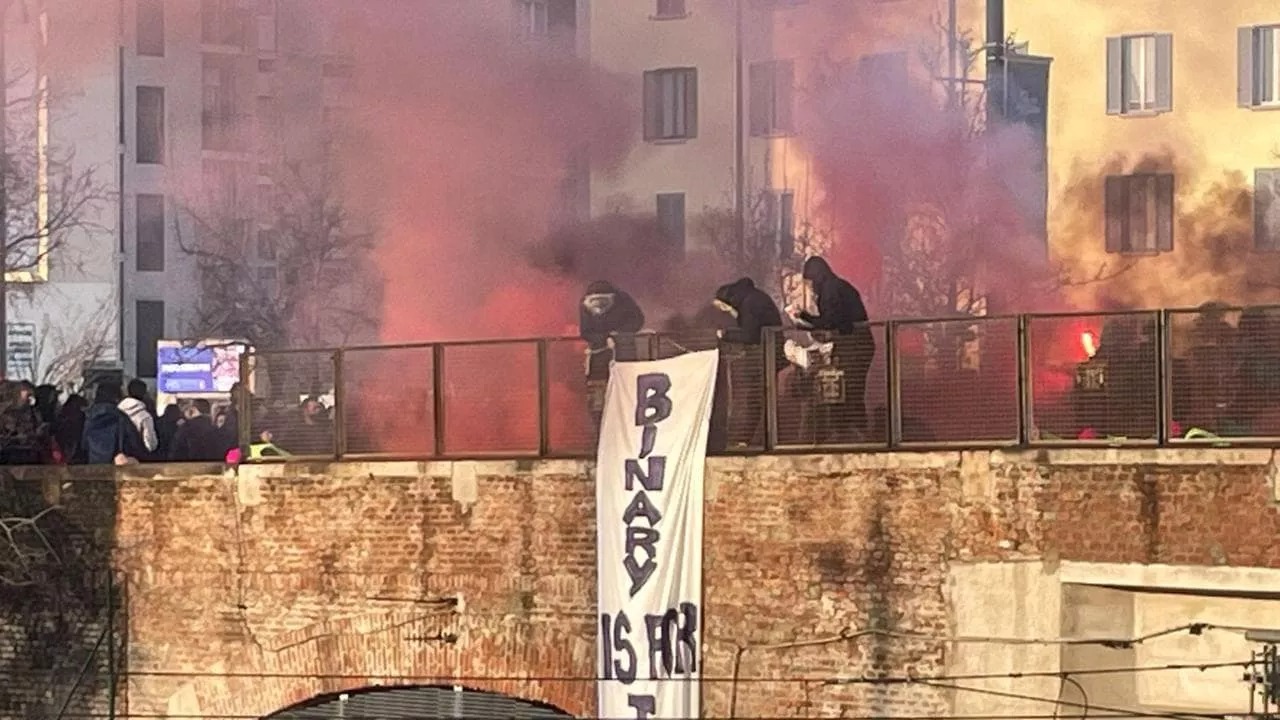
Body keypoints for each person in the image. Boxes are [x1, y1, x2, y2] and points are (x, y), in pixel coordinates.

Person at [793, 256, 876, 442]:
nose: (810, 287)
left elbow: (830, 321)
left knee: (847, 390)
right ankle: (854, 431)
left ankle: (847, 431)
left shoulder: (830, 290)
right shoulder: (837, 286)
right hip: (857, 345)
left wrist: (806, 321)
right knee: (852, 389)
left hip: (853, 347)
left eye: (809, 281)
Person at [711, 278, 786, 448]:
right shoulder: (754, 298)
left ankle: (746, 440)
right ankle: (756, 439)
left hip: (764, 356)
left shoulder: (749, 304)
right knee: (761, 399)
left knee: (754, 399)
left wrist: (726, 335)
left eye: (724, 308)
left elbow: (750, 335)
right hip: (769, 354)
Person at [579, 280, 645, 428]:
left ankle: (626, 425)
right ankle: (600, 427)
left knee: (626, 392)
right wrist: (603, 339)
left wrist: (619, 334)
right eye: (594, 301)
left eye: (603, 300)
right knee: (598, 397)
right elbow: (585, 331)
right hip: (598, 359)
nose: (599, 305)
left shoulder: (624, 300)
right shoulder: (584, 306)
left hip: (624, 355)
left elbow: (637, 320)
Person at [78, 383, 147, 464]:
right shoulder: (121, 417)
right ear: (116, 398)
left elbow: (81, 446)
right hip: (115, 465)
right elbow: (135, 445)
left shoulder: (85, 417)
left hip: (90, 465)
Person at [119, 379, 159, 459]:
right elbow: (151, 445)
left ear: (128, 392)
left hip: (118, 458)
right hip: (137, 459)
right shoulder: (145, 416)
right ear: (144, 394)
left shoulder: (117, 412)